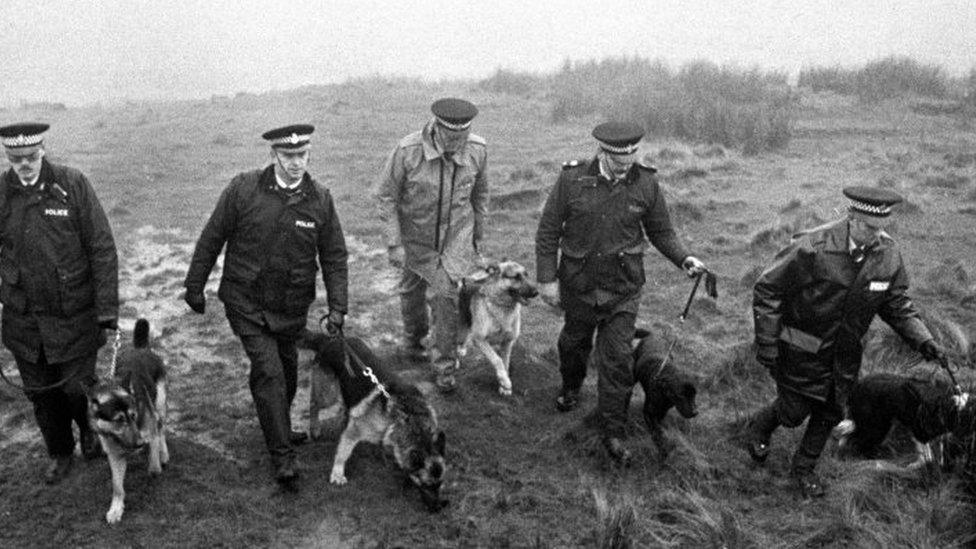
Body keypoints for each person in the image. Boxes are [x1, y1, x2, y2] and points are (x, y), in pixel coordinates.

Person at [747, 186, 944, 497]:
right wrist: (768, 343)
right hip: (800, 344)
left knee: (829, 411)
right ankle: (760, 426)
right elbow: (767, 289)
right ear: (852, 219)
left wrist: (923, 339)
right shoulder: (813, 245)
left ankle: (803, 471)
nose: (878, 236)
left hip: (846, 352)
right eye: (870, 228)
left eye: (882, 228)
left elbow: (897, 304)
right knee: (795, 409)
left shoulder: (887, 254)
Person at [183, 124, 348, 490]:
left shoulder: (320, 199)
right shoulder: (243, 189)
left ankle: (280, 425)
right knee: (269, 372)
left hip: (290, 308)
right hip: (246, 304)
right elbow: (212, 237)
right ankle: (283, 457)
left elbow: (334, 256)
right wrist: (195, 286)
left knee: (286, 375)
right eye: (288, 156)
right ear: (273, 155)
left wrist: (338, 307)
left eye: (302, 155)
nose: (296, 163)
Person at [535, 121, 706, 463]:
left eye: (631, 158)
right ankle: (571, 387)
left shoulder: (646, 183)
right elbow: (548, 232)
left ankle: (612, 432)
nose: (625, 165)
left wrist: (684, 258)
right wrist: (547, 279)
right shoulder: (571, 180)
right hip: (578, 285)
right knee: (573, 344)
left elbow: (662, 232)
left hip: (623, 291)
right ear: (602, 151)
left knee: (617, 362)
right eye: (618, 160)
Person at [0, 122, 119, 484]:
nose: (25, 165)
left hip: (74, 315)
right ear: (8, 157)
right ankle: (60, 452)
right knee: (41, 395)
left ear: (43, 151)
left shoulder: (72, 184)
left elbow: (101, 247)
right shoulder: (1, 194)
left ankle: (88, 431)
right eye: (16, 158)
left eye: (32, 156)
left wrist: (107, 311)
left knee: (75, 389)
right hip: (24, 320)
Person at [375, 98, 489, 392]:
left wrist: (478, 236)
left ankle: (444, 368)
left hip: (454, 241)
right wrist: (394, 243)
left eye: (462, 137)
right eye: (451, 137)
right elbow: (386, 196)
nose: (457, 143)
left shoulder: (478, 150)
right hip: (416, 239)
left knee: (444, 296)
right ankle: (414, 341)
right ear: (436, 128)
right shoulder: (408, 152)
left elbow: (481, 195)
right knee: (411, 293)